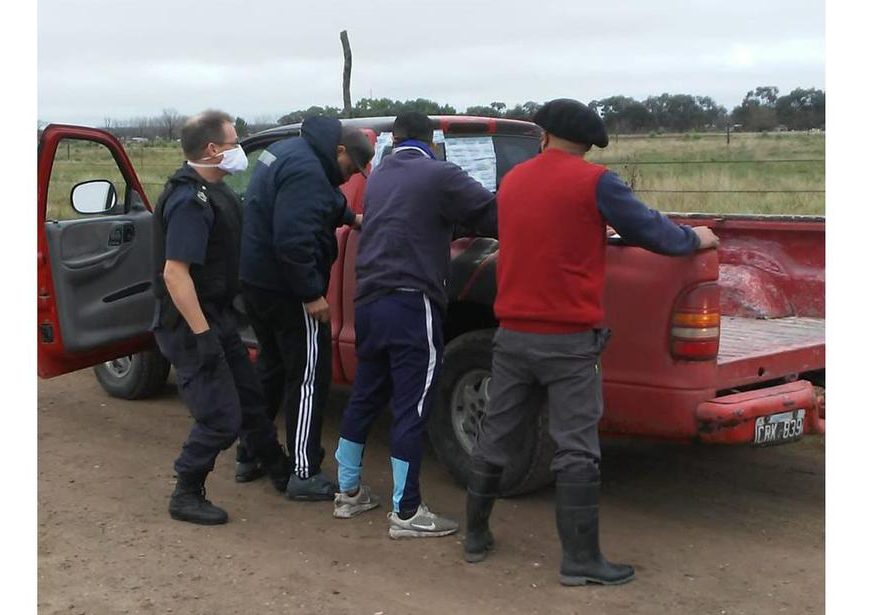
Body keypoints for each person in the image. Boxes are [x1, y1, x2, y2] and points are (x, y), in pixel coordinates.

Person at [464, 99, 720, 584]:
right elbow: (652, 233)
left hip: (513, 335)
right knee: (577, 447)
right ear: (586, 143)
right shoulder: (596, 182)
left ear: (544, 135)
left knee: (496, 436)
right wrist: (695, 239)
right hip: (568, 340)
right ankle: (579, 560)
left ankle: (475, 537)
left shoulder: (513, 182)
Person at [332, 112, 498, 539]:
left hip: (369, 301)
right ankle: (406, 512)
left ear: (395, 140)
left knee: (366, 395)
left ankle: (347, 492)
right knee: (413, 403)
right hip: (412, 303)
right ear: (432, 141)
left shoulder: (382, 176)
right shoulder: (440, 173)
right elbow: (492, 214)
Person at [152, 110, 291, 526]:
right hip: (191, 324)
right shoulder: (188, 200)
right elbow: (175, 274)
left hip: (217, 315)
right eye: (234, 142)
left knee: (250, 400)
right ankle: (186, 490)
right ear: (213, 150)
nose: (238, 148)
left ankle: (275, 467)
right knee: (220, 417)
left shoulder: (220, 193)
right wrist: (203, 337)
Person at [240, 116, 374, 502]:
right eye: (350, 169)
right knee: (309, 377)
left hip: (257, 283)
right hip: (288, 290)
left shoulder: (288, 152)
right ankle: (304, 471)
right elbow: (293, 238)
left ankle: (251, 453)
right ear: (340, 151)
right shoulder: (309, 171)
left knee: (271, 367)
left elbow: (320, 201)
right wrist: (312, 294)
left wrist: (352, 217)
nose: (348, 179)